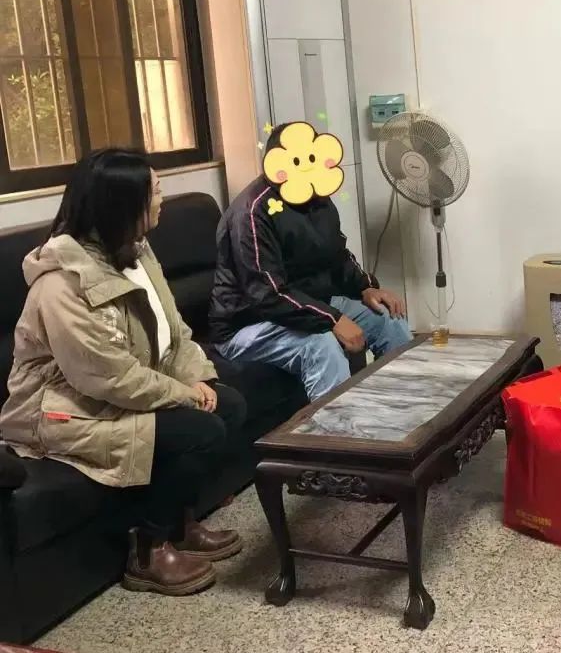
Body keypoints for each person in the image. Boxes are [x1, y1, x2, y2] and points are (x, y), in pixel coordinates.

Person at [0, 149, 245, 596]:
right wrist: (186, 395)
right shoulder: (62, 283)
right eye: (154, 191)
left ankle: (180, 525)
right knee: (200, 429)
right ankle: (148, 551)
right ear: (121, 205)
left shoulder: (136, 251)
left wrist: (200, 379)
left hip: (118, 392)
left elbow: (173, 330)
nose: (162, 198)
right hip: (63, 412)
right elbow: (106, 376)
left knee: (229, 404)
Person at [210, 122, 411, 401]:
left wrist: (366, 287)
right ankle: (337, 428)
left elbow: (337, 254)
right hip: (248, 323)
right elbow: (267, 294)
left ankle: (403, 412)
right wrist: (332, 319)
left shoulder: (318, 195)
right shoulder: (252, 213)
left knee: (389, 319)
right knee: (321, 346)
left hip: (309, 306)